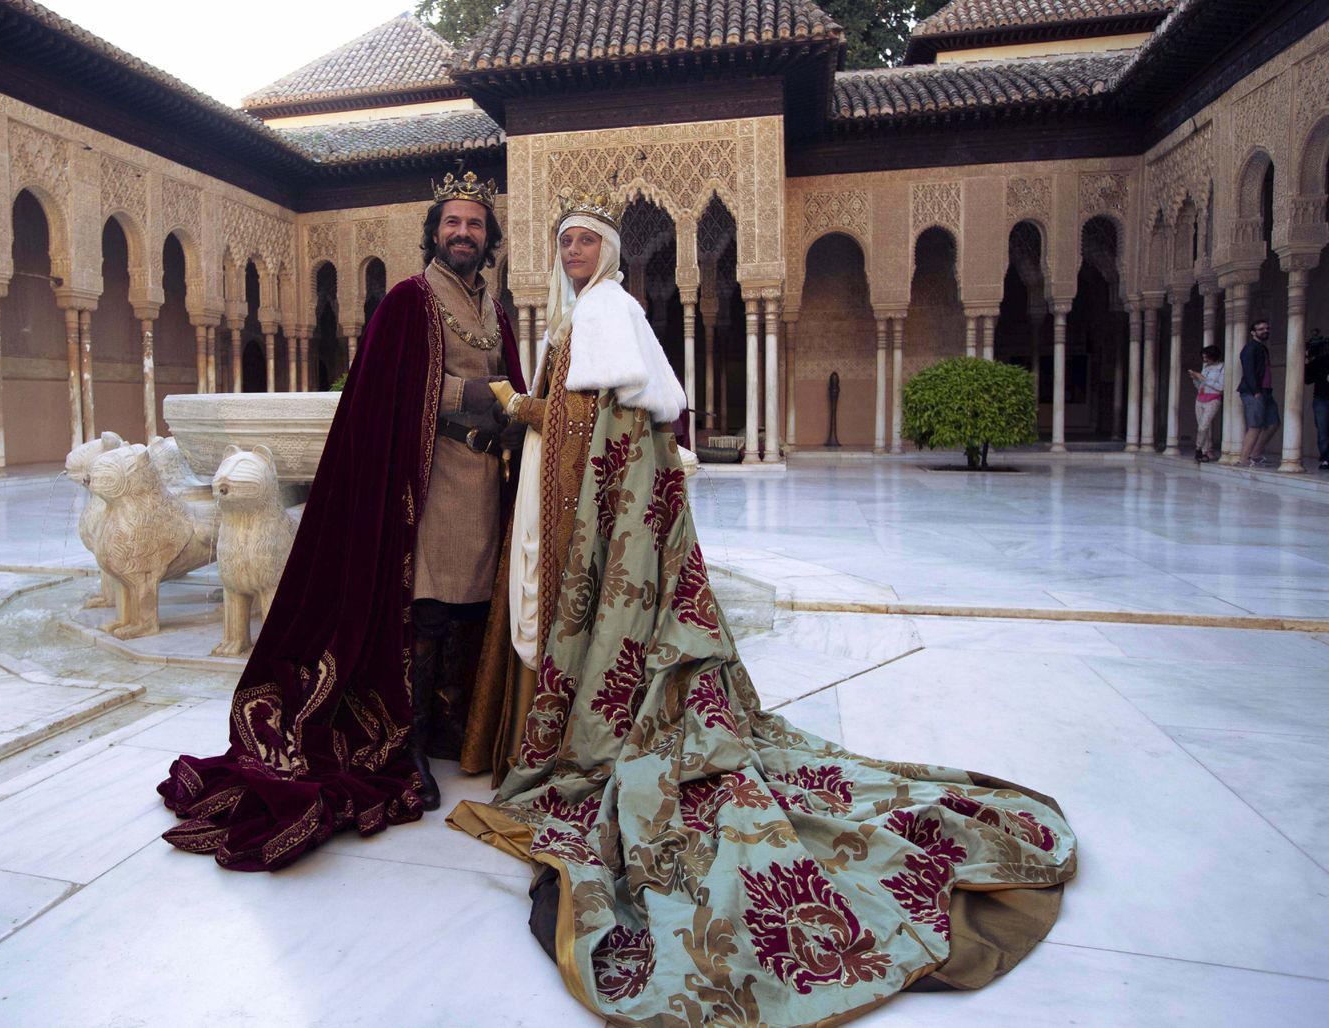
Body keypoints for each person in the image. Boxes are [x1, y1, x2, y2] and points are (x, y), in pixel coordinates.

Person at [448, 188, 1077, 1025]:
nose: (571, 254)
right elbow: (600, 417)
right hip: (592, 516)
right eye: (562, 243)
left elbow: (602, 421)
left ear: (605, 251)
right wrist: (542, 413)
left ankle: (596, 743)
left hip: (610, 525)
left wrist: (520, 407)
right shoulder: (591, 316)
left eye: (582, 243)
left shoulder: (610, 313)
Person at [156, 171, 525, 870]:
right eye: (452, 223)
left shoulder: (495, 311)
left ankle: (452, 726)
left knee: (473, 608)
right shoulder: (409, 301)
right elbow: (390, 383)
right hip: (425, 478)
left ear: (489, 238)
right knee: (429, 609)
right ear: (434, 232)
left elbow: (512, 382)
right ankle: (407, 746)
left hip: (482, 483)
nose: (463, 234)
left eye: (475, 224)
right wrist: (472, 390)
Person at [1237, 318, 1279, 467]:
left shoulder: (1262, 348)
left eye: (1266, 328)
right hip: (1254, 392)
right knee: (1255, 426)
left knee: (1273, 423)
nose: (1265, 331)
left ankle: (1255, 454)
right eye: (1261, 329)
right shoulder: (1250, 348)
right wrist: (1256, 392)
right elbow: (1248, 371)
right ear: (1253, 333)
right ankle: (1243, 459)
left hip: (1266, 392)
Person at [1187, 344, 1224, 462]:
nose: (1204, 360)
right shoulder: (1206, 367)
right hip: (1200, 398)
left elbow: (1220, 387)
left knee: (1204, 425)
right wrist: (1195, 378)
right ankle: (1205, 452)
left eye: (1206, 357)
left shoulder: (1222, 367)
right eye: (1203, 357)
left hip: (1213, 399)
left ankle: (1198, 450)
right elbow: (1200, 386)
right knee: (1202, 427)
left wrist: (1203, 379)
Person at [1306, 329, 1329, 471]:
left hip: (1321, 400)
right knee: (1323, 431)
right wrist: (1306, 360)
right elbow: (1307, 379)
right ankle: (1326, 459)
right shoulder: (1319, 361)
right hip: (1321, 399)